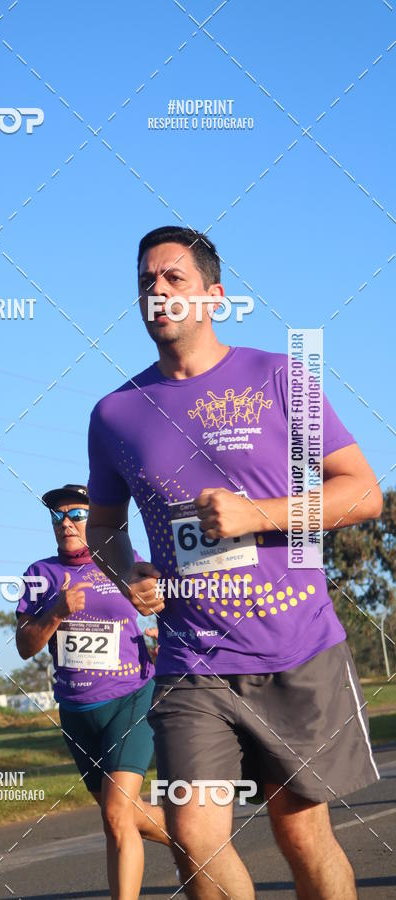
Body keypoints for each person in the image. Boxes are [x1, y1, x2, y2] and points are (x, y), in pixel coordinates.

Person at [85, 226, 383, 899]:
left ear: (215, 296)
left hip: (295, 646)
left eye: (174, 278)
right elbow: (103, 526)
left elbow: (362, 492)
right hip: (191, 660)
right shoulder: (115, 414)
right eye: (146, 281)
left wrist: (257, 514)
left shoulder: (277, 376)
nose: (158, 291)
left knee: (301, 834)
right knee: (194, 835)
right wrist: (127, 572)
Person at [15, 483, 169, 900]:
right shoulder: (40, 574)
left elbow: (162, 605)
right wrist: (56, 611)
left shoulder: (124, 560)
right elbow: (25, 646)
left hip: (131, 698)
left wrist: (162, 631)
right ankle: (193, 839)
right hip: (77, 712)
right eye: (57, 516)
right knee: (122, 816)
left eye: (76, 514)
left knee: (117, 816)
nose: (65, 523)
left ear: (94, 519)